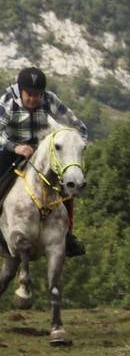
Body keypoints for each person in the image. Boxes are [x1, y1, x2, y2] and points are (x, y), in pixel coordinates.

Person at [0, 67, 90, 256]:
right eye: (29, 94)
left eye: (37, 95)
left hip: (39, 153)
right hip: (9, 151)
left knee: (66, 186)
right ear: (20, 90)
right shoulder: (8, 100)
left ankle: (68, 235)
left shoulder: (50, 99)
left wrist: (76, 143)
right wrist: (15, 147)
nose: (33, 99)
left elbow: (78, 125)